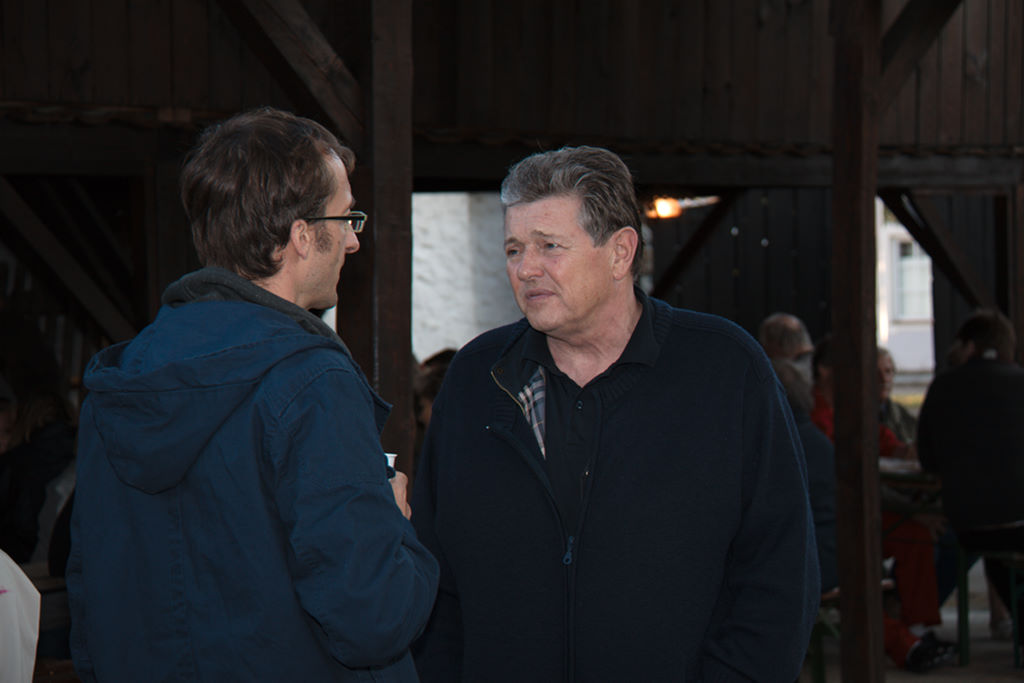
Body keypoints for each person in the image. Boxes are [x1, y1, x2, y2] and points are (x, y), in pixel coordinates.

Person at [412, 146, 819, 682]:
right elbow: (435, 575)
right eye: (514, 249)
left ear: (620, 252)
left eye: (549, 246)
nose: (526, 268)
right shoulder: (477, 378)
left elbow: (780, 574)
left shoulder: (725, 370)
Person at [66, 107, 439, 682]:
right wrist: (392, 525)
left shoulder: (121, 382)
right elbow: (373, 617)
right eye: (346, 217)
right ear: (300, 236)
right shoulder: (311, 382)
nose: (353, 241)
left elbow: (90, 607)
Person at [917, 309, 1024, 643]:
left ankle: (910, 616)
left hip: (969, 523)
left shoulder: (943, 387)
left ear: (970, 346)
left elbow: (928, 459)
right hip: (1017, 522)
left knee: (990, 547)